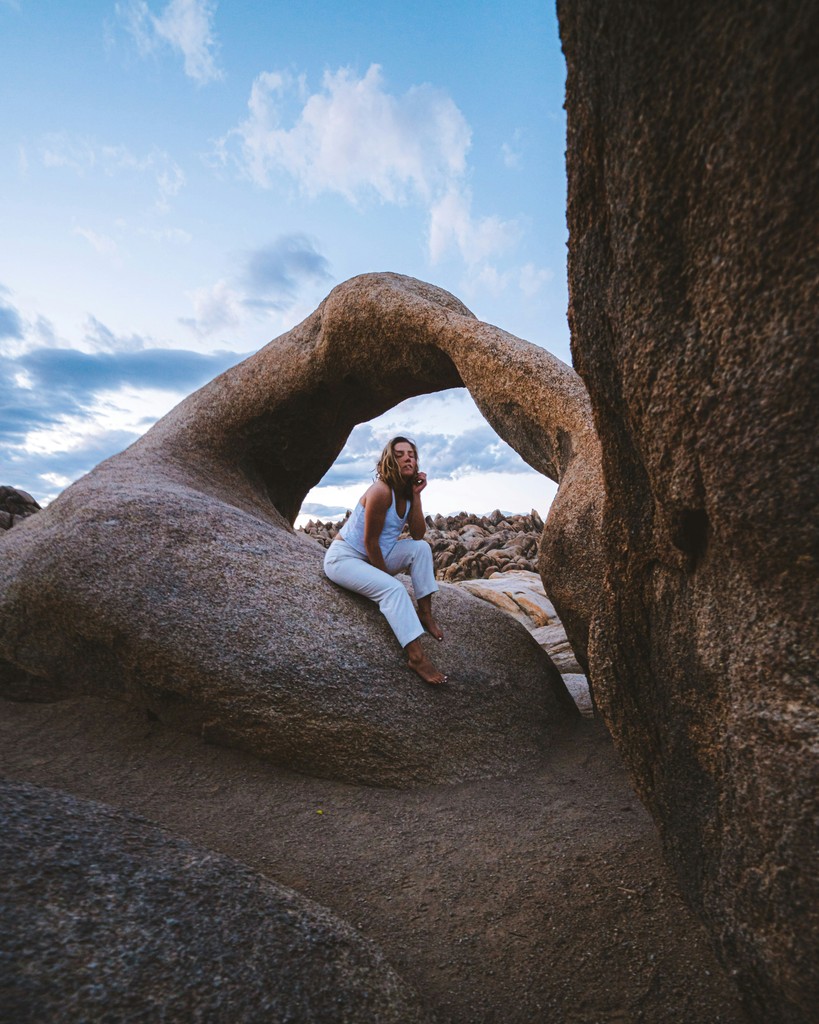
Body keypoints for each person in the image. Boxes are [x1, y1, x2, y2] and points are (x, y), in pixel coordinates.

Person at [323, 436, 447, 685]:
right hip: (345, 557)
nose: (407, 457)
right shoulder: (381, 491)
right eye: (400, 454)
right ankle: (416, 657)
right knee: (394, 590)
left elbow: (418, 534)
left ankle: (425, 613)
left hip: (377, 554)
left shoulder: (407, 492)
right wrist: (383, 578)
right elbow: (370, 542)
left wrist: (417, 495)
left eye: (411, 453)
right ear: (390, 460)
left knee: (421, 549)